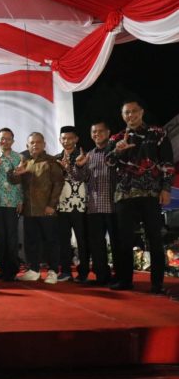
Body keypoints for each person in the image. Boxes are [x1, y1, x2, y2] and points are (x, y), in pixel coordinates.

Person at [105, 99, 174, 294]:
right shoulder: (117, 138)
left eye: (134, 111)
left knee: (155, 238)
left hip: (151, 193)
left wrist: (166, 188)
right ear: (122, 115)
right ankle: (125, 281)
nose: (131, 115)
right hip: (124, 195)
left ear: (142, 112)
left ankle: (157, 284)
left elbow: (167, 163)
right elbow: (109, 162)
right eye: (126, 112)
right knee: (124, 240)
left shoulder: (158, 133)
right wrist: (118, 150)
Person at [9, 132, 64, 284]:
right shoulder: (25, 162)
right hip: (29, 210)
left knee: (51, 241)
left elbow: (58, 183)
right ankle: (34, 270)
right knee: (31, 242)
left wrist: (51, 205)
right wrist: (17, 173)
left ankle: (53, 271)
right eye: (32, 143)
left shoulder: (51, 161)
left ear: (44, 144)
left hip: (46, 209)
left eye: (38, 142)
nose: (35, 145)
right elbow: (13, 181)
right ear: (27, 146)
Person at [68, 121, 117, 285]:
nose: (97, 134)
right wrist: (78, 165)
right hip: (94, 207)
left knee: (117, 244)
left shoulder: (116, 152)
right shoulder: (88, 155)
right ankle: (102, 277)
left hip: (114, 205)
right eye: (94, 132)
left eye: (100, 131)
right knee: (97, 245)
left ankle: (121, 277)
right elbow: (78, 178)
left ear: (108, 132)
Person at [0, 127, 23, 281]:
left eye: (8, 139)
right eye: (2, 138)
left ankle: (12, 270)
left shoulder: (19, 158)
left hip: (13, 202)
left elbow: (21, 181)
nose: (5, 141)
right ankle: (2, 269)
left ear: (13, 141)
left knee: (12, 237)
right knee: (1, 236)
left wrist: (21, 200)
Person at [55, 126, 89, 282]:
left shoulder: (84, 156)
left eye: (70, 138)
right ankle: (66, 271)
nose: (66, 141)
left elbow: (85, 177)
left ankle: (83, 273)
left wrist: (70, 167)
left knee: (82, 240)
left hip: (80, 204)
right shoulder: (56, 158)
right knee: (63, 239)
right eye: (64, 138)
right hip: (62, 204)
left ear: (76, 139)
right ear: (60, 140)